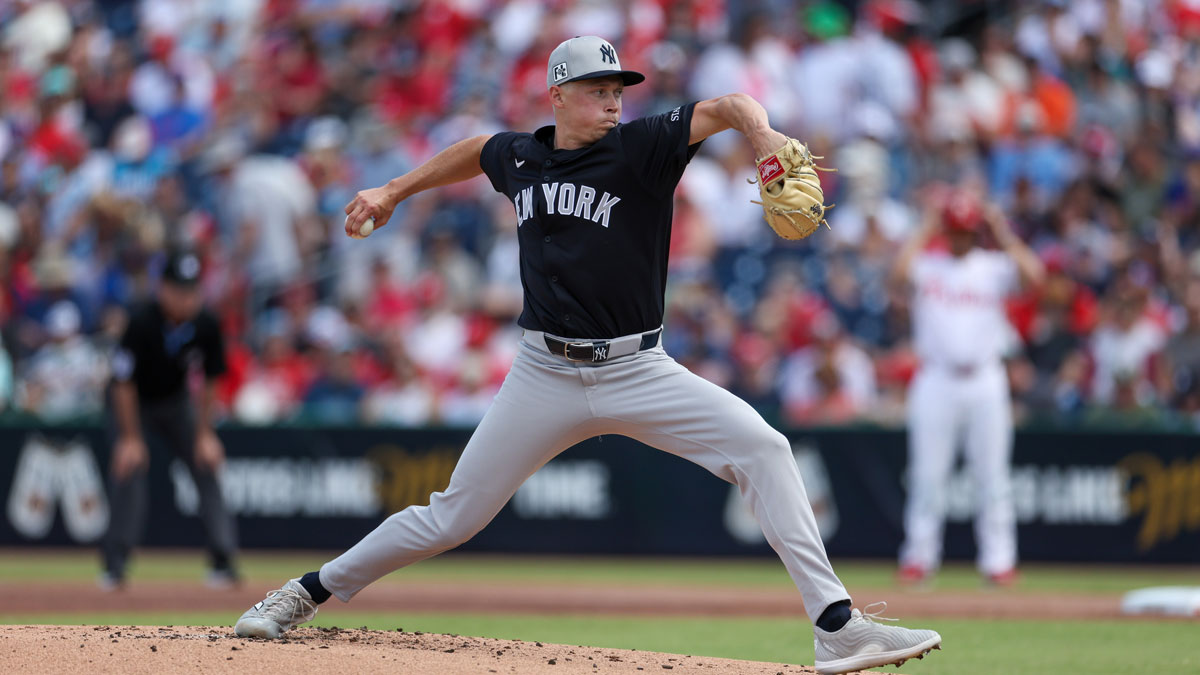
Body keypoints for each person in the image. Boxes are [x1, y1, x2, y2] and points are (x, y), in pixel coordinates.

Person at [234, 36, 941, 674]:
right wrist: (392, 190)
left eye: (617, 90)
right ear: (559, 96)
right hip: (544, 371)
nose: (612, 100)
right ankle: (305, 591)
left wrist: (763, 133)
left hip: (639, 368)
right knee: (452, 515)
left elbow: (727, 103)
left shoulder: (643, 148)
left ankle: (836, 626)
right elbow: (477, 148)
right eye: (599, 89)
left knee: (764, 446)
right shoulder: (522, 156)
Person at [891, 192, 1045, 586]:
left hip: (984, 379)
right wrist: (926, 228)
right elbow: (896, 275)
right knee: (927, 474)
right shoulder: (929, 265)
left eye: (966, 231)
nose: (960, 238)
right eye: (954, 230)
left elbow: (1036, 278)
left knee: (992, 475)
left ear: (977, 231)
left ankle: (999, 561)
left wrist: (1003, 232)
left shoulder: (993, 266)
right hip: (936, 378)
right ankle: (919, 557)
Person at [101, 248, 240, 589]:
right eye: (179, 290)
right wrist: (130, 438)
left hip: (176, 402)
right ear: (162, 288)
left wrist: (205, 434)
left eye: (192, 290)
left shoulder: (205, 324)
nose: (186, 298)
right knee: (130, 467)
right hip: (131, 403)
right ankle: (115, 565)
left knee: (205, 464)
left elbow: (210, 379)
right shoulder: (141, 321)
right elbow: (122, 382)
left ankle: (223, 561)